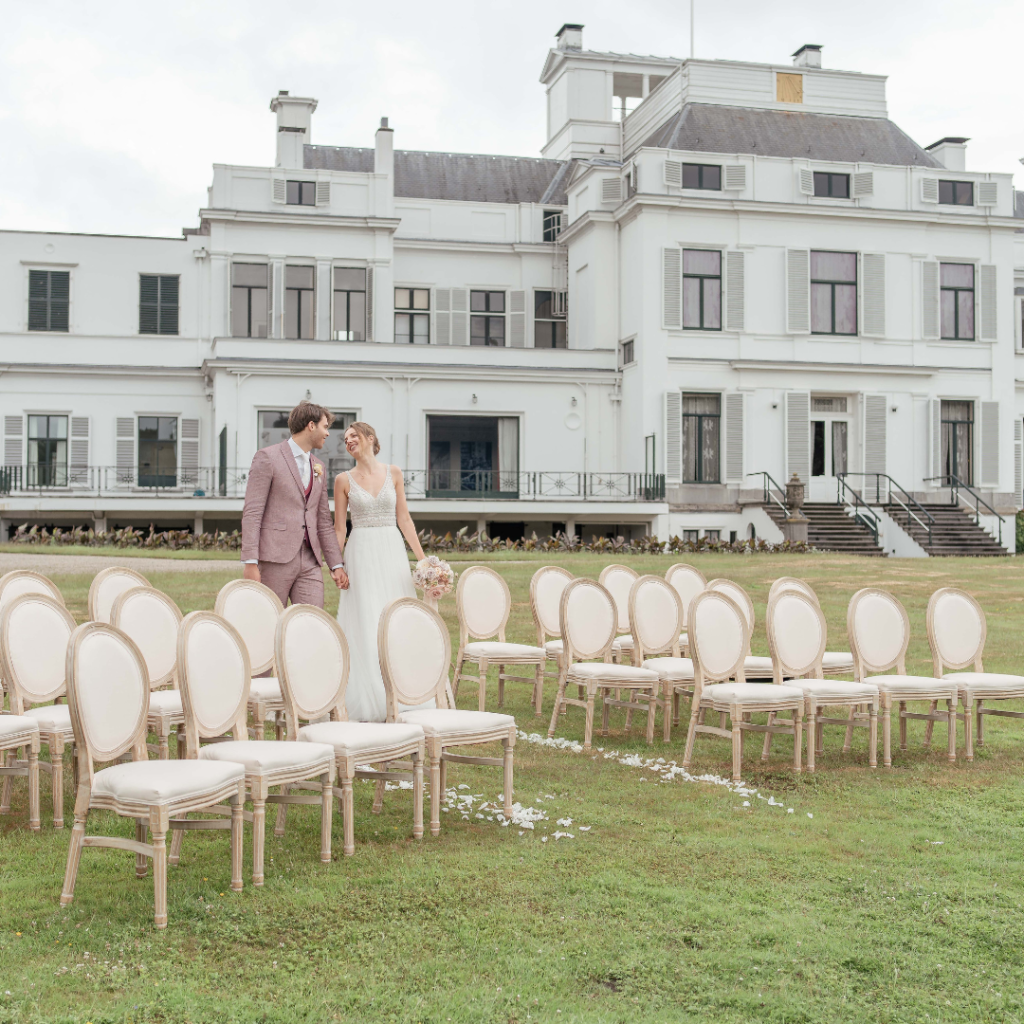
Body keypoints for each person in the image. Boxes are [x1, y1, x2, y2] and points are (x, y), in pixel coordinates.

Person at [334, 420, 430, 722]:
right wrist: (336, 565)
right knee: (365, 618)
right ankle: (367, 695)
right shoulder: (342, 480)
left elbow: (405, 520)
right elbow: (339, 529)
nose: (348, 441)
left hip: (391, 551)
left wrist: (423, 560)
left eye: (353, 436)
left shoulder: (394, 473)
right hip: (360, 552)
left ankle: (405, 691)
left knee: (397, 616)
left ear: (369, 438)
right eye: (344, 438)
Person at [241, 401, 348, 608]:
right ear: (311, 425)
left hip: (310, 561)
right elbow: (253, 513)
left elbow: (324, 521)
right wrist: (250, 561)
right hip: (274, 558)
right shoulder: (267, 457)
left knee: (312, 621)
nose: (327, 433)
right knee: (269, 621)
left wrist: (336, 564)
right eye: (325, 427)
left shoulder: (319, 466)